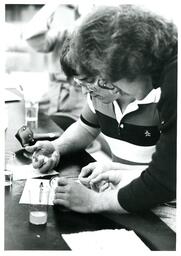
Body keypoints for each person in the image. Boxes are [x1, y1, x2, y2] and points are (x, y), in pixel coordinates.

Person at [26, 5, 177, 231]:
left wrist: (92, 202)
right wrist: (117, 170)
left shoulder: (172, 86)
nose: (109, 86)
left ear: (131, 63)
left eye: (107, 77)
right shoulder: (166, 71)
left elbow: (163, 181)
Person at [23, 3, 86, 130]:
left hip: (78, 103)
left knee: (49, 129)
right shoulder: (62, 30)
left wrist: (86, 9)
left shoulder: (93, 27)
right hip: (52, 97)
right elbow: (31, 36)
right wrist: (53, 3)